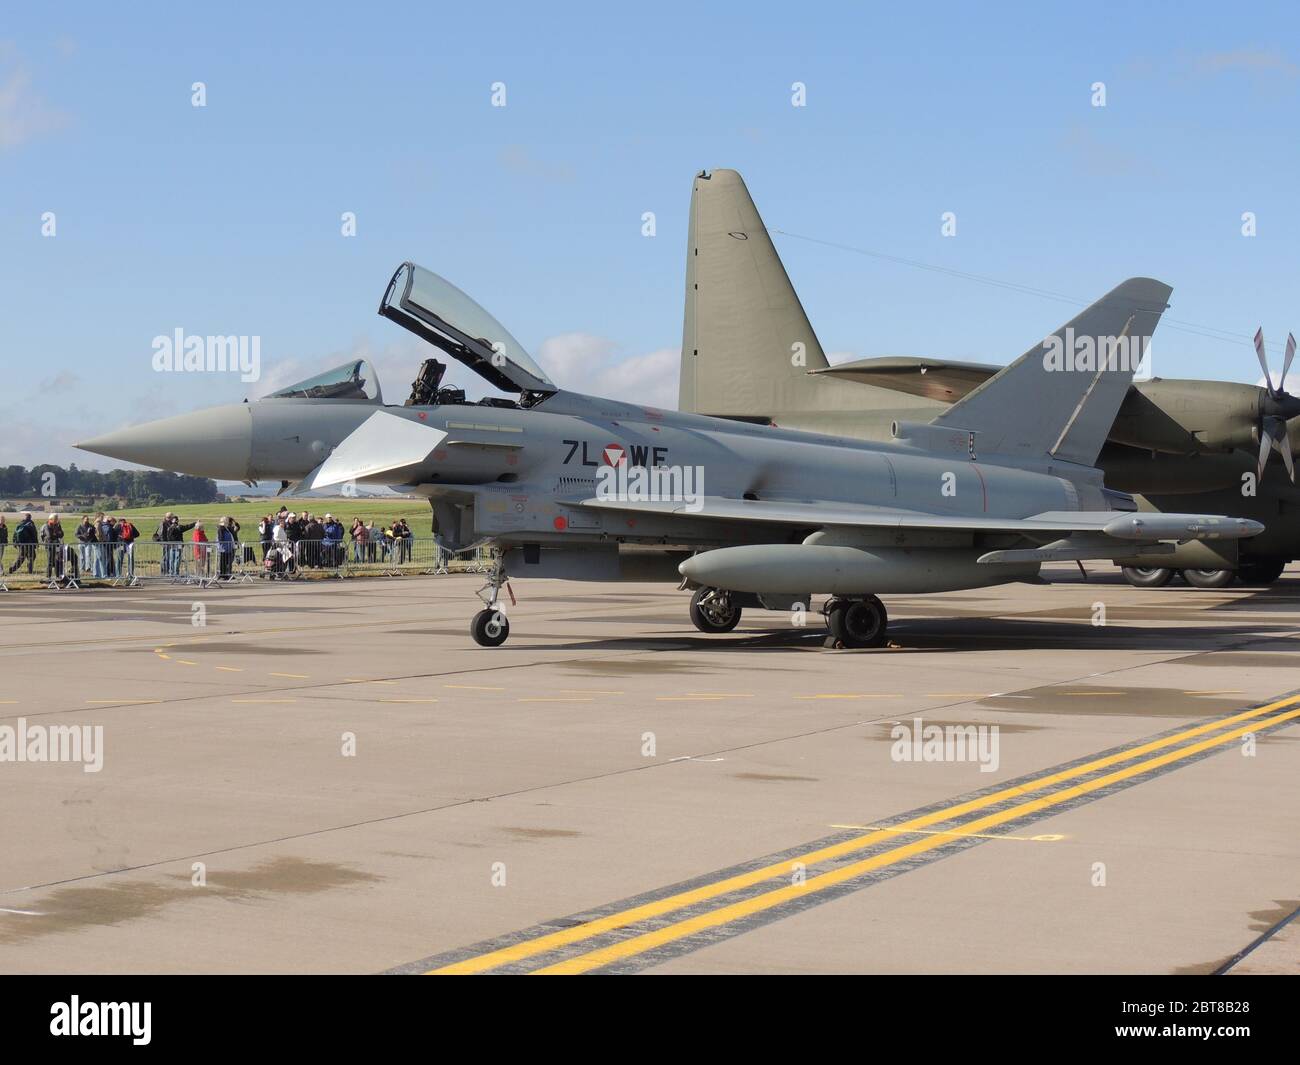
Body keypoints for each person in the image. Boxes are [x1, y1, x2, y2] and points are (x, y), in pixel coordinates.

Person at [40, 513, 66, 582]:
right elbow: (49, 536)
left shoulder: (57, 525)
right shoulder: (46, 526)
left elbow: (62, 534)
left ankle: (58, 575)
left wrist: (56, 534)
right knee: (50, 561)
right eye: (55, 519)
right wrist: (57, 534)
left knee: (57, 560)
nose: (56, 520)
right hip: (49, 546)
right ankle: (48, 576)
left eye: (57, 519)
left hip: (57, 545)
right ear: (51, 519)